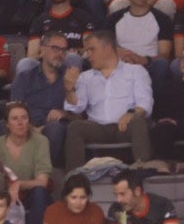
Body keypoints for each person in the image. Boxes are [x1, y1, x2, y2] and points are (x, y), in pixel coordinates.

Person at [62, 30, 152, 170]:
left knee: (139, 123)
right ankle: (74, 177)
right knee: (75, 127)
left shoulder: (135, 71)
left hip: (125, 127)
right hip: (98, 128)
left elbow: (145, 103)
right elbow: (76, 107)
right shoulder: (85, 77)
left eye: (92, 49)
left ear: (108, 48)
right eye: (86, 51)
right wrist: (69, 89)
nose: (88, 55)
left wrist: (131, 113)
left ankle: (142, 170)